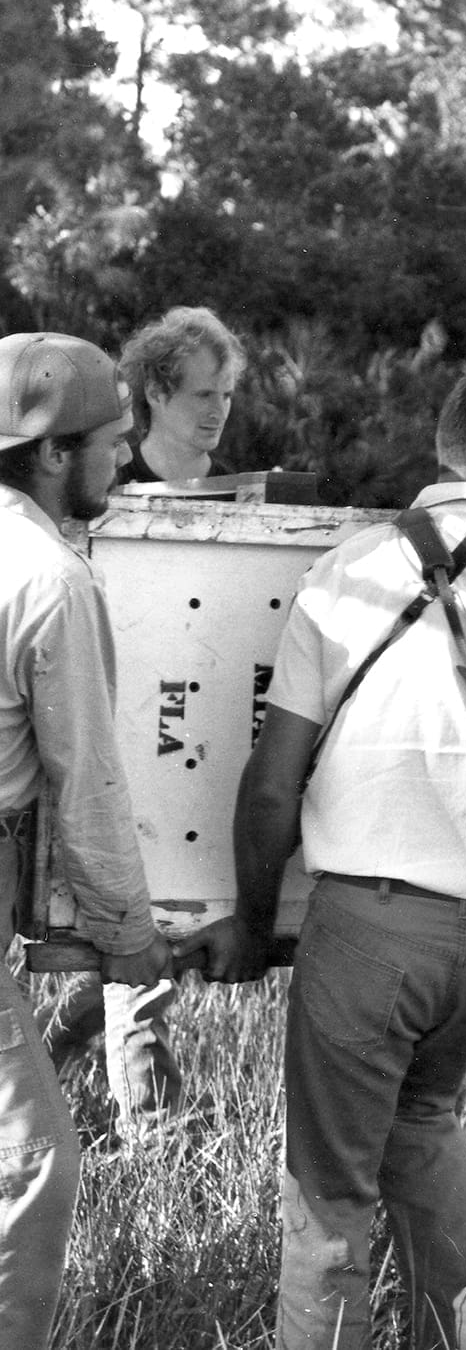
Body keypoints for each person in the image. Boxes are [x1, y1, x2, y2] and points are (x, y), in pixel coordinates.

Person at [176, 367, 466, 1350]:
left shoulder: (351, 569)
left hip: (375, 930)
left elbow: (271, 783)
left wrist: (256, 927)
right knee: (422, 1126)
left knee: (329, 1198)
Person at [0, 332, 171, 1349]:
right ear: (55, 453)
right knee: (33, 1159)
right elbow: (87, 779)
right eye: (111, 441)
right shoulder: (52, 578)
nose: (125, 460)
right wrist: (129, 933)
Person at [40, 306, 246, 1133]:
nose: (218, 410)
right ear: (155, 391)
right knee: (145, 974)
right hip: (118, 753)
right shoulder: (107, 504)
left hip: (204, 759)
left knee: (162, 956)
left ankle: (60, 1035)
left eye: (228, 393)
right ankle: (159, 1140)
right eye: (202, 391)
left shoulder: (243, 510)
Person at [117, 304, 246, 483]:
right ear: (155, 393)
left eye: (226, 396)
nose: (219, 412)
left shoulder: (235, 494)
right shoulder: (109, 485)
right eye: (204, 395)